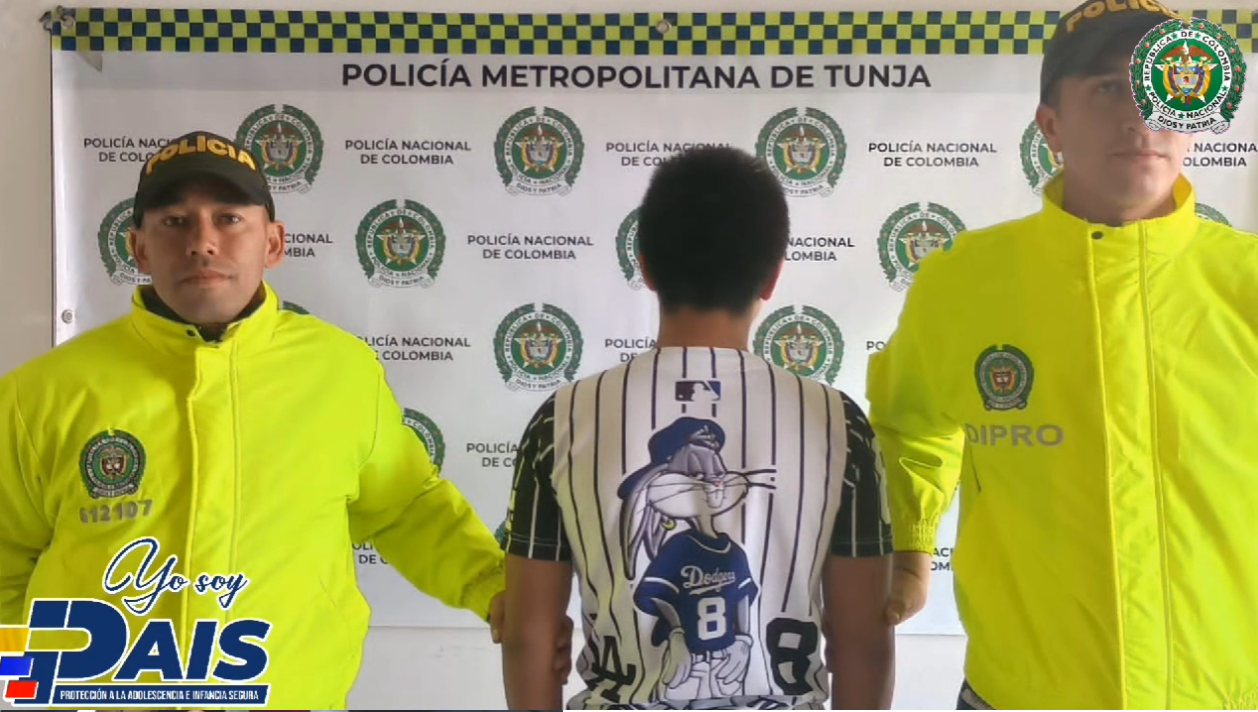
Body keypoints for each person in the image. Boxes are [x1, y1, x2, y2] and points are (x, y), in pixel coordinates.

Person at [0, 130, 567, 709]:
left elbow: (407, 509)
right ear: (139, 249)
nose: (202, 242)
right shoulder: (40, 394)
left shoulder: (339, 370)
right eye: (174, 222)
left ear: (273, 242)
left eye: (228, 219)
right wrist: (26, 687)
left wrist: (497, 588)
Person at [867, 1, 1258, 708]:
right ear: (1050, 124)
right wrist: (912, 549)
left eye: (1166, 87)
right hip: (1021, 691)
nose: (1141, 118)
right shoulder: (964, 281)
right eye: (1109, 88)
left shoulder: (1246, 281)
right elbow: (911, 426)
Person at [497, 145, 896, 710]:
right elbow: (863, 645)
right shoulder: (837, 423)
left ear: (645, 267)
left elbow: (528, 638)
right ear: (772, 276)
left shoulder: (562, 418)